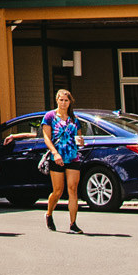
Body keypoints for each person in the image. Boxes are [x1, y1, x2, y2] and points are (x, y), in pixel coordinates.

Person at [41, 87, 88, 233]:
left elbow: (79, 138)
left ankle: (73, 223)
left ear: (70, 102)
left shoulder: (74, 119)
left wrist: (81, 141)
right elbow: (47, 138)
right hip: (57, 157)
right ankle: (49, 213)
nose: (63, 103)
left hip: (72, 156)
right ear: (57, 100)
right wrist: (55, 153)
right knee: (58, 191)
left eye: (66, 100)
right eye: (61, 100)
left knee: (73, 189)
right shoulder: (50, 116)